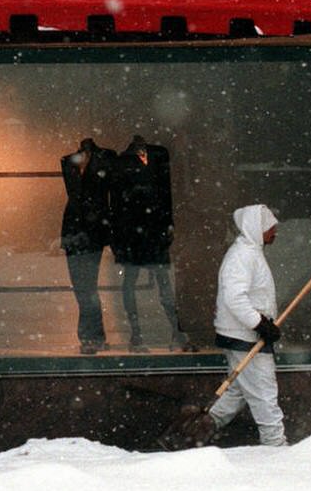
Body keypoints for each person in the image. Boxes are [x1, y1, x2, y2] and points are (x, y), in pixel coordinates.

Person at [204, 204, 288, 447]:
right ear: (257, 228)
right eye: (271, 228)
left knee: (239, 390)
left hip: (240, 334)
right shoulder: (242, 256)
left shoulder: (250, 252)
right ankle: (276, 445)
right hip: (244, 336)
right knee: (264, 392)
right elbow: (234, 297)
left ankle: (200, 428)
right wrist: (259, 324)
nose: (275, 233)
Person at [111, 135, 191, 352]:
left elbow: (166, 195)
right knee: (138, 282)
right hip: (135, 233)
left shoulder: (157, 157)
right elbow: (117, 202)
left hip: (152, 231)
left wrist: (168, 224)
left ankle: (174, 331)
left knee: (161, 283)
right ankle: (139, 334)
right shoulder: (123, 162)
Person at [60, 138, 117, 353]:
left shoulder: (103, 160)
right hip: (76, 232)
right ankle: (94, 336)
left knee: (86, 288)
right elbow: (75, 195)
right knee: (83, 288)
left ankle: (91, 337)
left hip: (90, 232)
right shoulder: (69, 163)